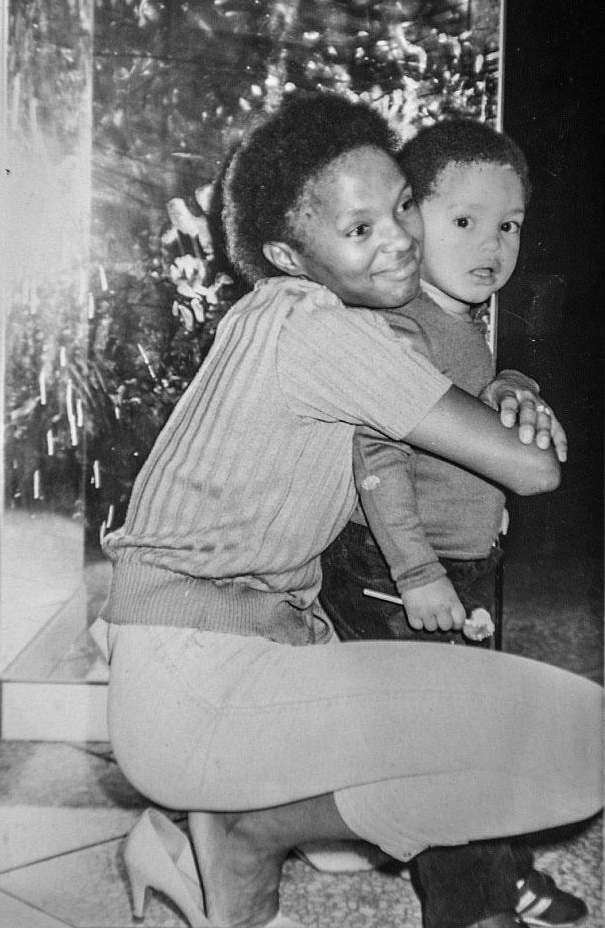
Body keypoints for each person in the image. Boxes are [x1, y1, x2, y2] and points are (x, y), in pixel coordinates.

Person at [102, 92, 602, 928]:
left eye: (401, 206)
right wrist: (517, 403)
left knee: (498, 733)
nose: (400, 239)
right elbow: (534, 471)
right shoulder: (328, 333)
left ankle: (233, 826)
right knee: (580, 743)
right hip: (201, 686)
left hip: (208, 665)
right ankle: (249, 833)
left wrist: (511, 384)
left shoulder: (269, 316)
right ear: (289, 255)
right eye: (358, 229)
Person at [316, 119, 589, 928]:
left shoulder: (464, 319)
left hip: (466, 564)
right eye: (465, 221)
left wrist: (516, 375)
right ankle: (473, 910)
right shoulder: (401, 325)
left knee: (482, 733)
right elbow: (378, 459)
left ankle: (504, 874)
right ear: (411, 220)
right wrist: (418, 573)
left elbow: (474, 391)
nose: (493, 245)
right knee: (439, 753)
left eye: (508, 225)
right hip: (403, 572)